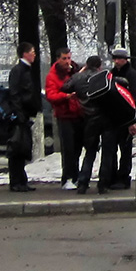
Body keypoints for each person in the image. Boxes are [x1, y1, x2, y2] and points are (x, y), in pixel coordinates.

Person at [63, 55, 115, 193]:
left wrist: (79, 73)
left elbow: (65, 87)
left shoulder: (78, 78)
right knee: (107, 153)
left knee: (90, 152)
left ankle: (83, 183)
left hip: (89, 119)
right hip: (107, 117)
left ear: (86, 65)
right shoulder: (103, 76)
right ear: (99, 66)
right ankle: (103, 185)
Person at [44, 47, 83, 191]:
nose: (68, 62)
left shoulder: (75, 71)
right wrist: (65, 96)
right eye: (64, 59)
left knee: (77, 148)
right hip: (64, 115)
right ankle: (67, 178)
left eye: (69, 58)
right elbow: (51, 95)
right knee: (68, 149)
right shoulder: (53, 76)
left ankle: (76, 176)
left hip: (78, 114)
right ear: (58, 59)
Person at [5, 41, 41, 192]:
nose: (34, 54)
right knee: (17, 148)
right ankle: (16, 182)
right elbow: (15, 93)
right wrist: (19, 113)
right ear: (25, 53)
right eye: (32, 51)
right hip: (20, 116)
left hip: (24, 115)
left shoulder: (25, 70)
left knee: (22, 148)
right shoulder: (18, 70)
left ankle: (21, 180)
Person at [108, 48, 136, 190]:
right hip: (114, 116)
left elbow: (134, 98)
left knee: (125, 149)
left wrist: (132, 120)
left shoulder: (131, 74)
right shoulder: (112, 73)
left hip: (126, 118)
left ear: (125, 59)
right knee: (113, 148)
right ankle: (113, 176)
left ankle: (124, 177)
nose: (116, 61)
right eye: (114, 58)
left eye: (119, 58)